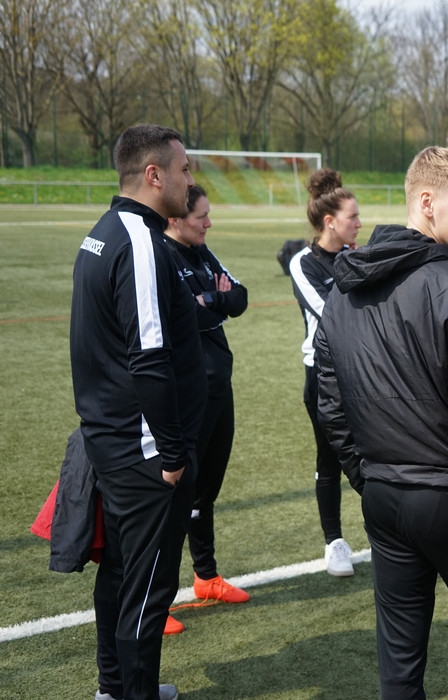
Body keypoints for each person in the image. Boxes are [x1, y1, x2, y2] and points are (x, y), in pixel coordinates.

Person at [313, 146, 448, 699]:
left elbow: (331, 407)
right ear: (427, 203)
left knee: (399, 668)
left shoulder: (342, 291)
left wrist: (369, 478)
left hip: (386, 500)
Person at [70, 123, 201, 700]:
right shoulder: (140, 242)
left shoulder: (101, 233)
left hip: (112, 443)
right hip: (145, 453)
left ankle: (114, 687)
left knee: (122, 575)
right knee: (148, 591)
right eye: (183, 169)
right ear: (153, 175)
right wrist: (171, 456)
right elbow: (148, 357)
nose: (189, 180)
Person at [164, 184, 250, 627]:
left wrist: (213, 300)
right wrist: (212, 304)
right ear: (176, 219)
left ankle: (206, 576)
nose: (209, 223)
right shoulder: (162, 255)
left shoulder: (204, 253)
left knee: (205, 491)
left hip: (220, 388)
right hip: (186, 395)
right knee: (172, 497)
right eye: (201, 217)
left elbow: (240, 297)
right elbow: (183, 315)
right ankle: (152, 600)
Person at [289, 168, 363, 577]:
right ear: (330, 221)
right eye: (353, 217)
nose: (360, 223)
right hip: (323, 374)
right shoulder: (303, 262)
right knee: (330, 457)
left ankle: (389, 531)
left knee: (376, 451)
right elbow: (329, 311)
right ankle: (334, 543)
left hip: (365, 369)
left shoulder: (358, 255)